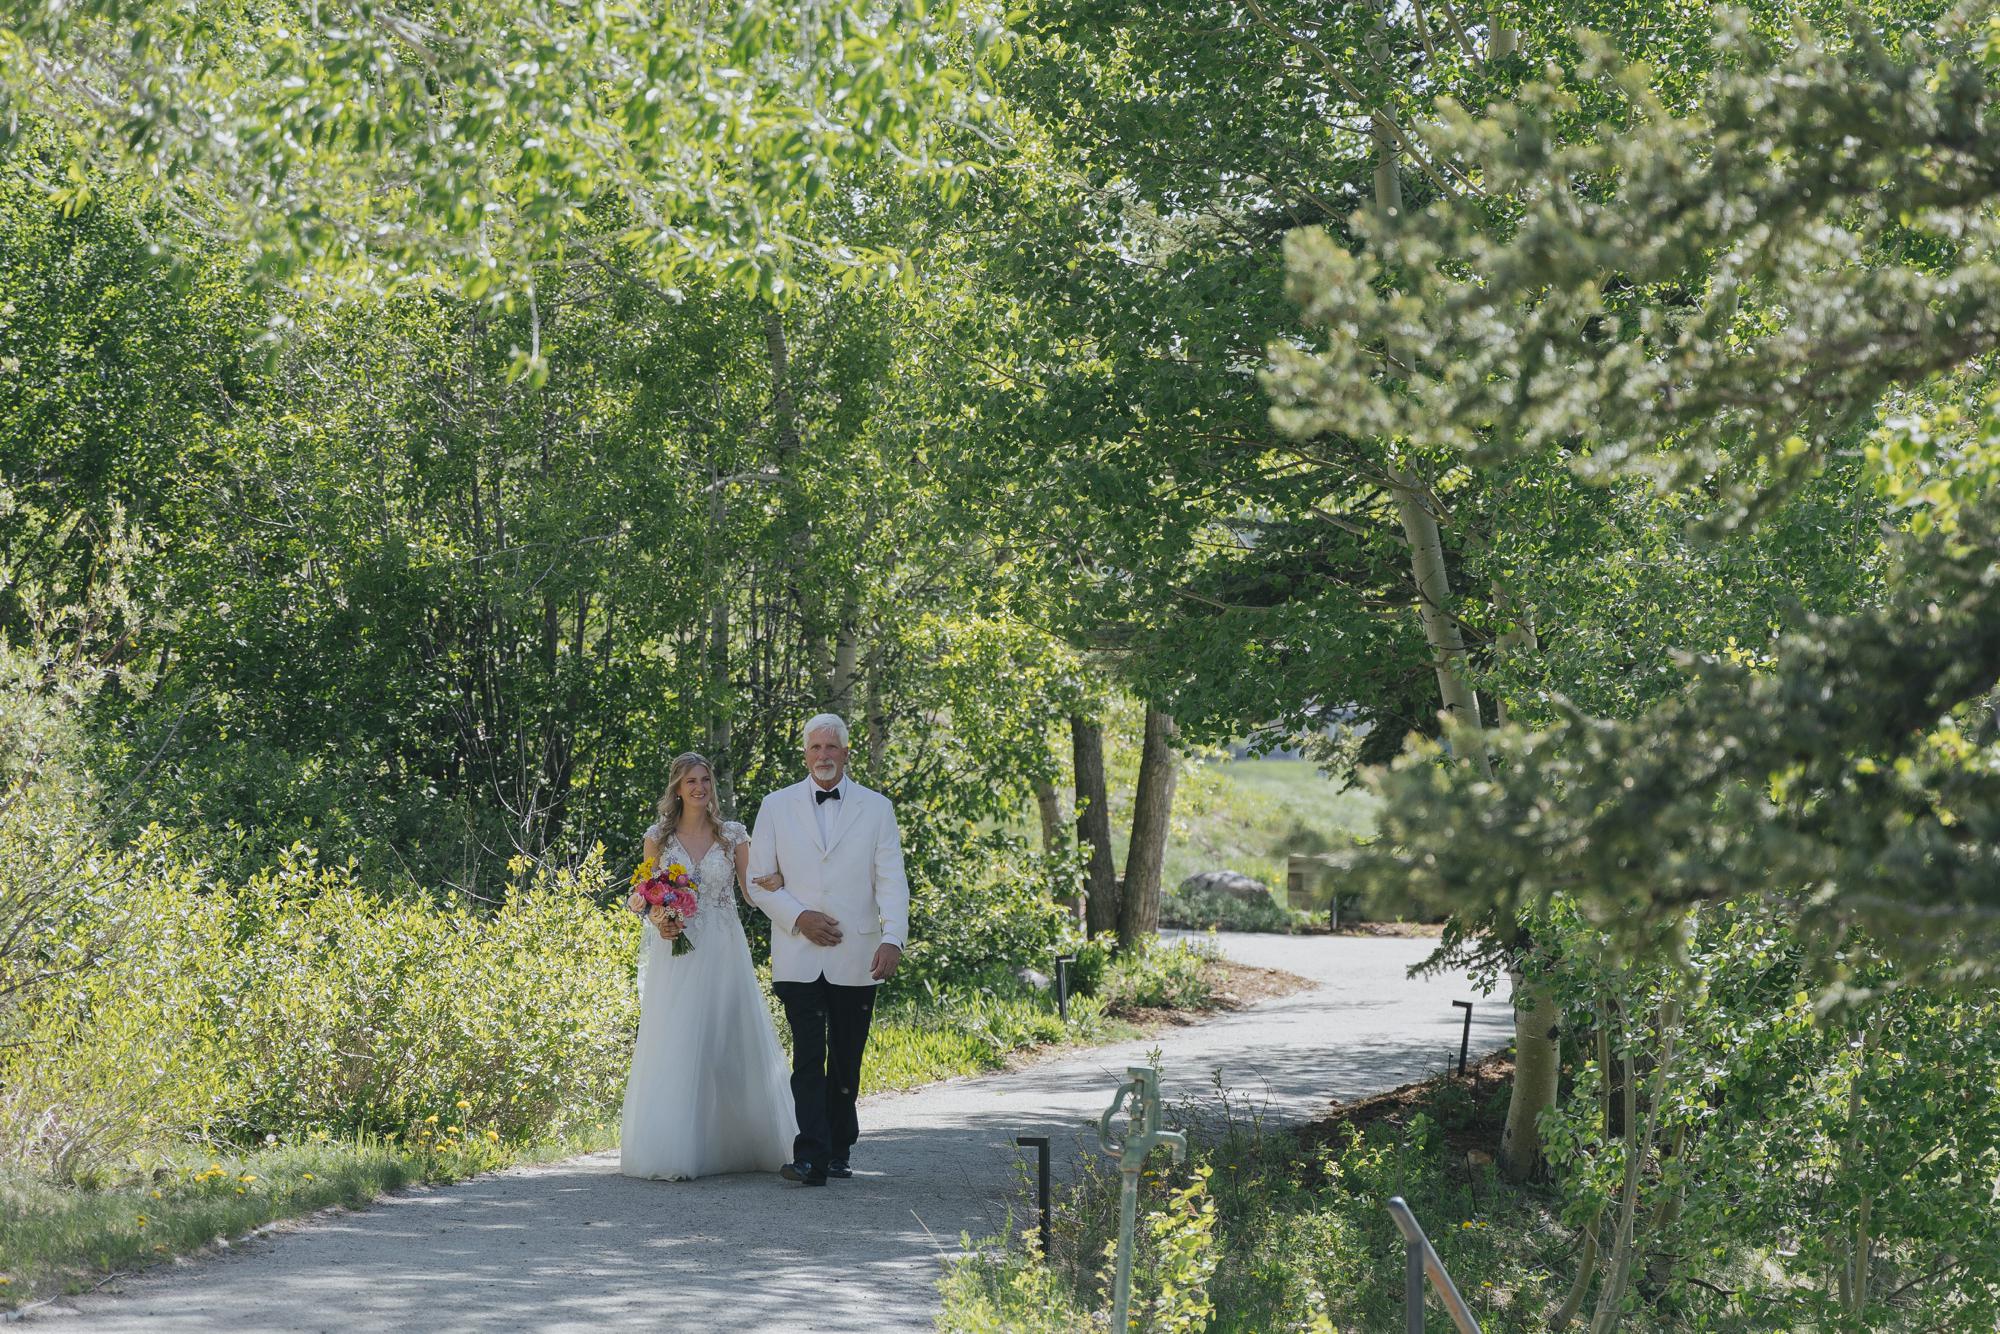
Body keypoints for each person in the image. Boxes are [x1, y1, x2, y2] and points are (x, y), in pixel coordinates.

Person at [745, 713, 909, 1186]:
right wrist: (800, 917)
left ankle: (840, 1146)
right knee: (807, 1055)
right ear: (805, 754)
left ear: (846, 753)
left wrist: (892, 937)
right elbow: (759, 882)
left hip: (856, 953)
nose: (823, 756)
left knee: (847, 1056)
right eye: (815, 748)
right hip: (797, 952)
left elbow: (891, 881)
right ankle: (810, 1156)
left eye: (831, 748)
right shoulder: (776, 806)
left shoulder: (876, 808)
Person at [618, 752, 797, 1181]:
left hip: (723, 947)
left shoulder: (732, 835)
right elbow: (641, 895)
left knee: (727, 1036)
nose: (700, 787)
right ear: (677, 788)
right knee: (679, 1039)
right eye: (690, 781)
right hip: (678, 948)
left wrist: (782, 880)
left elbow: (751, 893)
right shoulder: (658, 837)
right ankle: (678, 1148)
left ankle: (744, 1142)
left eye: (705, 780)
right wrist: (658, 918)